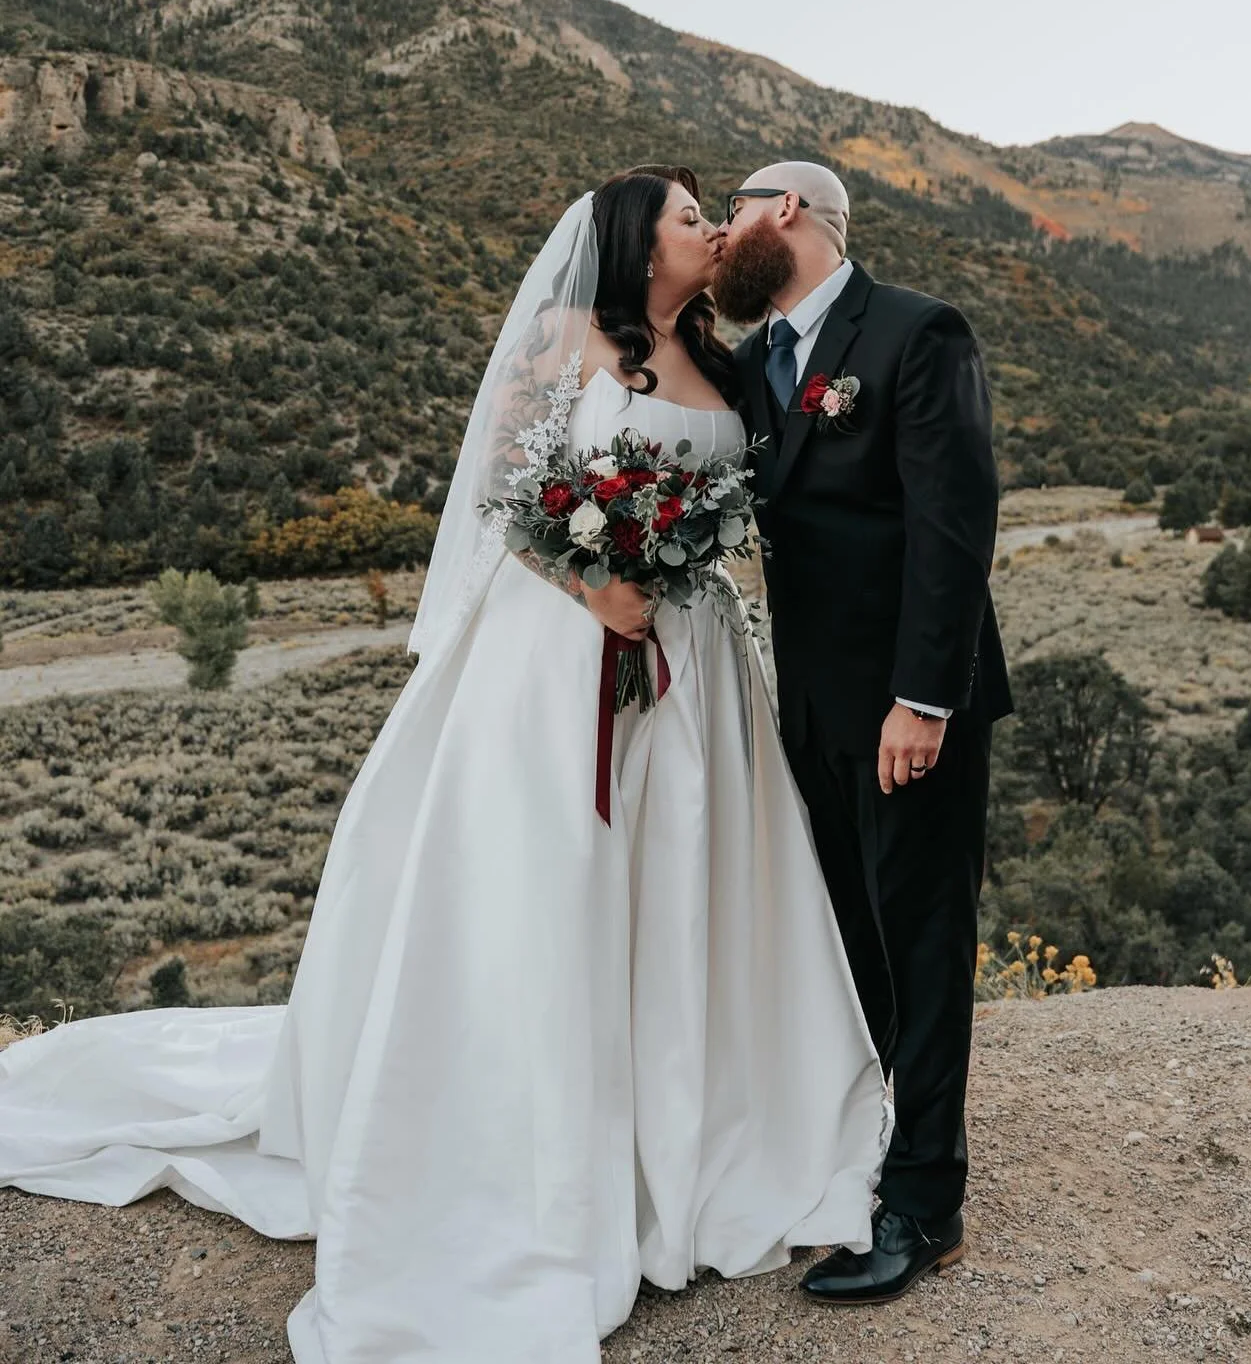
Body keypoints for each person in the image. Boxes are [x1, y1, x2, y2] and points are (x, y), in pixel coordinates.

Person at [0, 169, 887, 1364]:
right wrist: (596, 586)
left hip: (695, 664)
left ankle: (701, 1134)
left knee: (694, 884)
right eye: (690, 216)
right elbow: (501, 499)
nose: (713, 231)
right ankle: (540, 1150)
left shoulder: (730, 370)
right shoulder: (564, 343)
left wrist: (683, 578)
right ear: (635, 244)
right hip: (557, 657)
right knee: (554, 888)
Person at [714, 159, 1013, 1306]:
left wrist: (923, 702)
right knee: (849, 949)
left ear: (787, 211)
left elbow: (954, 520)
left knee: (924, 947)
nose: (727, 229)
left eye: (733, 209)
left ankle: (926, 1208)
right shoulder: (756, 365)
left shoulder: (916, 333)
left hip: (906, 712)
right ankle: (859, 1158)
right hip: (809, 714)